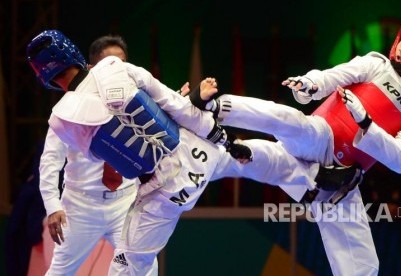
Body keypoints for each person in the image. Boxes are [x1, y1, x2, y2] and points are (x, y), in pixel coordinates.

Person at [26, 30, 364, 275]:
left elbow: (115, 174)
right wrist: (216, 134)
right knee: (251, 155)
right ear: (76, 55)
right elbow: (175, 107)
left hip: (162, 195)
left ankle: (312, 178)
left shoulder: (62, 119)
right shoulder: (122, 69)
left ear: (45, 77)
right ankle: (319, 178)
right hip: (196, 155)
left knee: (129, 266)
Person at [191, 11, 401, 275]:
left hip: (340, 182)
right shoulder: (376, 64)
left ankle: (208, 149)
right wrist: (308, 84)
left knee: (365, 265)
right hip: (321, 136)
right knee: (288, 119)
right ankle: (212, 106)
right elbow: (330, 77)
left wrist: (367, 125)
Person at [38, 34, 146, 275]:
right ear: (92, 68)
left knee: (142, 268)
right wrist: (53, 206)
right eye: (110, 63)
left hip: (125, 202)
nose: (116, 70)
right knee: (60, 272)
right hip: (80, 206)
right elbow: (50, 161)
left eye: (122, 63)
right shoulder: (67, 109)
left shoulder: (138, 98)